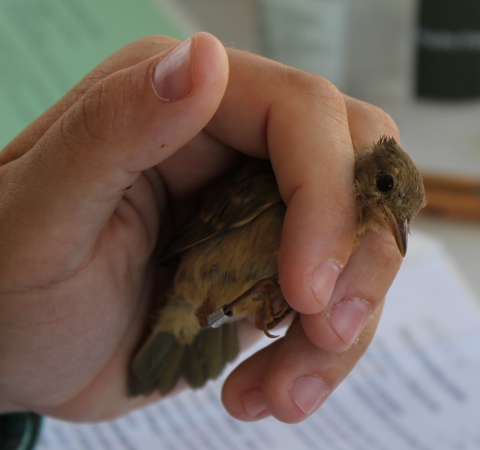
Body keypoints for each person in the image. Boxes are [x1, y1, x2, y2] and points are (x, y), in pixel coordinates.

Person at [0, 32, 402, 444]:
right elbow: (210, 228)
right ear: (368, 168)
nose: (396, 225)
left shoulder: (346, 238)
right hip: (191, 289)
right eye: (387, 187)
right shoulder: (278, 192)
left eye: (403, 220)